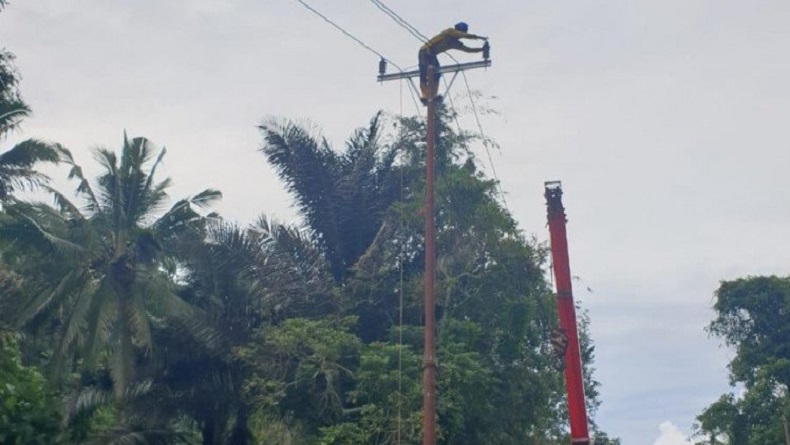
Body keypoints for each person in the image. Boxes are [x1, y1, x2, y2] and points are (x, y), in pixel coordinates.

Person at [418, 22, 487, 104]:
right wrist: (478, 37)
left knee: (437, 73)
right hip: (424, 51)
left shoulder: (455, 43)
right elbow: (463, 35)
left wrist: (482, 49)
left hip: (432, 54)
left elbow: (467, 49)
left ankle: (433, 96)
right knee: (424, 73)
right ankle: (425, 95)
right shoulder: (449, 32)